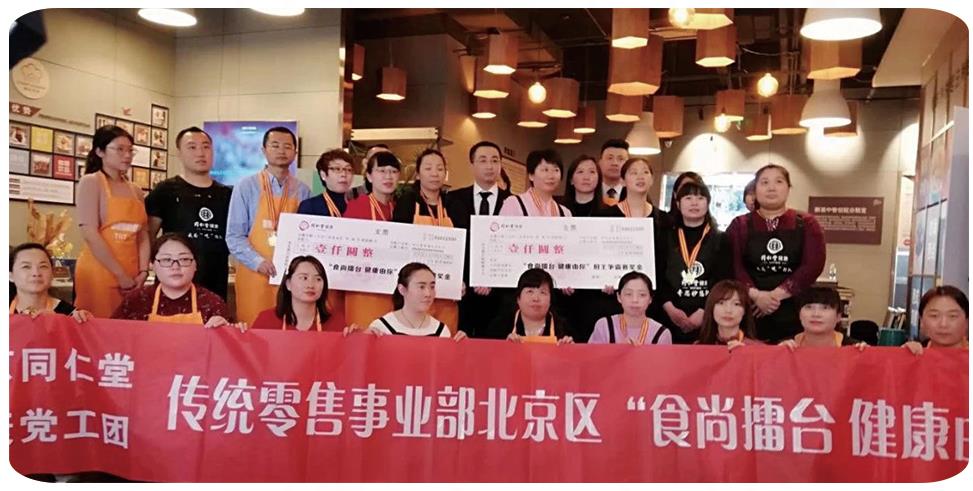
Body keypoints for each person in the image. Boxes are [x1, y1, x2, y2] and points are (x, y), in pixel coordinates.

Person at [727, 164, 826, 343]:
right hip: (750, 311)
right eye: (764, 182)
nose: (771, 188)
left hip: (795, 311)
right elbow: (733, 265)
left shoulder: (807, 223)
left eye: (778, 182)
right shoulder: (739, 225)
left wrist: (774, 296)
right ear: (755, 190)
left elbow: (813, 265)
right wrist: (757, 296)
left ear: (788, 188)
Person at [226, 126, 310, 325]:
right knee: (254, 329)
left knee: (289, 329)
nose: (281, 151)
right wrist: (258, 262)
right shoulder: (246, 186)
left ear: (295, 152)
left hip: (290, 277)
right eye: (275, 145)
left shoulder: (303, 190)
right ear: (263, 150)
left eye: (287, 146)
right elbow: (234, 236)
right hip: (255, 274)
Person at [145, 126, 232, 300]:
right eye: (192, 147)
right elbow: (148, 235)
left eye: (206, 147)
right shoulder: (165, 190)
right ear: (179, 153)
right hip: (173, 282)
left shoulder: (227, 194)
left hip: (215, 282)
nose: (200, 153)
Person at [74, 125, 150, 318]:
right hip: (100, 271)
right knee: (98, 326)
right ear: (100, 151)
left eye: (130, 150)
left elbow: (143, 235)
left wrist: (143, 272)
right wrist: (120, 275)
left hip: (133, 274)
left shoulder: (136, 191)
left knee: (127, 328)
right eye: (120, 149)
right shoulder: (91, 182)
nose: (127, 155)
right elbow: (90, 233)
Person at [445, 141, 513, 337]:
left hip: (500, 292)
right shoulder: (452, 199)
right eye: (483, 160)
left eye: (495, 161)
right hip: (462, 288)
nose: (490, 166)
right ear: (472, 164)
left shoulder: (513, 202)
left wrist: (492, 279)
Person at [392, 149, 459, 331]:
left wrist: (461, 280)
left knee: (444, 337)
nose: (435, 173)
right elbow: (398, 241)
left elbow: (463, 247)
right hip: (415, 288)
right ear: (418, 173)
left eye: (440, 168)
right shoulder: (407, 201)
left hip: (446, 288)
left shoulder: (453, 203)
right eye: (428, 168)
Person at [658, 180, 732, 344]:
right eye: (688, 198)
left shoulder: (721, 239)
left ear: (708, 203)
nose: (694, 203)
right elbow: (658, 275)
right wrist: (669, 308)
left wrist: (705, 310)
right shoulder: (665, 236)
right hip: (670, 315)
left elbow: (723, 280)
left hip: (708, 317)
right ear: (678, 204)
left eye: (700, 198)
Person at [112, 234, 238, 328]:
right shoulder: (137, 300)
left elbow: (227, 348)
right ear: (153, 265)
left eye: (184, 259)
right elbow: (111, 335)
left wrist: (228, 329)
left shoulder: (212, 303)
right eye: (166, 260)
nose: (175, 267)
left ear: (195, 265)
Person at [342, 151, 401, 327]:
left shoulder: (400, 208)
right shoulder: (357, 206)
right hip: (363, 289)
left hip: (394, 289)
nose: (388, 176)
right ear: (368, 176)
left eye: (393, 171)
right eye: (381, 171)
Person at [364, 262, 465, 339]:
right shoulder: (381, 327)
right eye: (421, 287)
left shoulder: (441, 330)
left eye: (432, 287)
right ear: (402, 289)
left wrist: (463, 346)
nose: (428, 293)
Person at [251, 255, 350, 332]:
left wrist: (353, 337)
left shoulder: (336, 322)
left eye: (318, 279)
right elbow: (252, 350)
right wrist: (242, 334)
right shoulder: (266, 320)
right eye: (304, 278)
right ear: (288, 284)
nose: (311, 285)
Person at [486, 268, 573, 344]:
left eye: (543, 292)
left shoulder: (564, 329)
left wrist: (570, 349)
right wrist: (505, 347)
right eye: (530, 291)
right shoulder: (499, 328)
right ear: (518, 299)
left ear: (550, 301)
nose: (536, 298)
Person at [9, 243, 91, 323]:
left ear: (52, 274)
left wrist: (59, 322)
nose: (36, 273)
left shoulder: (71, 315)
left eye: (43, 266)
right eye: (26, 266)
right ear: (10, 276)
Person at [588, 272, 670, 345]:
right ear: (619, 297)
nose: (635, 300)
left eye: (642, 295)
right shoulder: (604, 326)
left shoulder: (661, 333)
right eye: (628, 294)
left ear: (650, 299)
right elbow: (592, 356)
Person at [780, 287, 866, 350]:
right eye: (809, 307)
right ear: (799, 315)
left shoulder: (853, 347)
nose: (816, 314)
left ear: (838, 317)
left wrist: (866, 353)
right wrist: (778, 352)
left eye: (825, 308)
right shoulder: (785, 345)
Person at [499, 149, 572, 217]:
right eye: (545, 170)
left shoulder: (565, 213)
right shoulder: (514, 203)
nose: (551, 176)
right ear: (531, 175)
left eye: (556, 170)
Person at [696, 280, 761, 351]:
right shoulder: (697, 348)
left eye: (736, 304)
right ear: (711, 308)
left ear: (745, 311)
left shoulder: (759, 349)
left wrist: (747, 354)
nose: (728, 310)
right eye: (721, 303)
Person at [903, 286, 969, 355]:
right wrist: (902, 355)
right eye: (934, 316)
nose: (943, 324)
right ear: (921, 321)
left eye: (952, 316)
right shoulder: (915, 352)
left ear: (967, 321)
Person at [297, 149, 355, 217]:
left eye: (349, 170)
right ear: (323, 175)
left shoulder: (360, 206)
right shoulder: (309, 206)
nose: (344, 174)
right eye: (337, 169)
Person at [598, 139, 629, 206]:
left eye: (620, 159)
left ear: (628, 164)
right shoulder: (590, 191)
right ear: (600, 163)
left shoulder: (635, 194)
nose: (615, 163)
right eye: (610, 158)